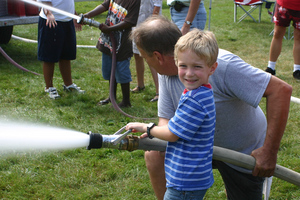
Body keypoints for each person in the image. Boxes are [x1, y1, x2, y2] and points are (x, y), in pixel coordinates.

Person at [130, 15, 292, 200]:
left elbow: (281, 90)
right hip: (196, 146)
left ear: (157, 56)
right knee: (155, 153)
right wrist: (157, 133)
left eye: (144, 57)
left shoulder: (221, 65)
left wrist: (269, 152)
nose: (189, 72)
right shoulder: (168, 72)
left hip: (242, 151)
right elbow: (166, 119)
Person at [126, 29, 218, 200]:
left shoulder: (195, 99)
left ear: (212, 68)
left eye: (197, 67)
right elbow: (176, 128)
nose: (189, 73)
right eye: (183, 66)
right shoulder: (199, 92)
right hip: (190, 178)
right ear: (176, 63)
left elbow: (171, 134)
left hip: (186, 181)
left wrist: (147, 127)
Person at [83, 0, 140, 107]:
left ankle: (126, 101)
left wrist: (110, 28)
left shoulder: (134, 1)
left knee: (122, 70)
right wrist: (88, 15)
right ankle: (111, 96)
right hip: (108, 40)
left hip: (122, 43)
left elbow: (130, 21)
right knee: (109, 69)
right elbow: (105, 5)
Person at [38, 0, 85, 99]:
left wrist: (74, 15)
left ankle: (68, 85)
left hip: (66, 21)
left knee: (66, 55)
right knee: (49, 56)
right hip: (51, 20)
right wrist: (49, 13)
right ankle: (49, 87)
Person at [131, 0, 162, 102]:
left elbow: (156, 8)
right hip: (136, 24)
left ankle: (159, 92)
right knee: (137, 54)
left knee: (151, 58)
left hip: (150, 27)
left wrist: (149, 27)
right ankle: (140, 85)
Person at [265, 0, 300, 79]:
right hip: (284, 4)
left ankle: (297, 69)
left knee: (298, 37)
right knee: (277, 33)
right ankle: (271, 67)